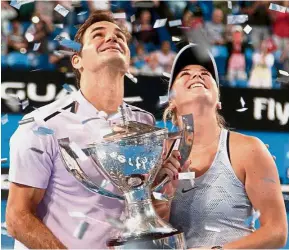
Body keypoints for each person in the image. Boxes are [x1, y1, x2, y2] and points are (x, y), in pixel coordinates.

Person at [6, 10, 155, 249]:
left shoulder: (145, 124)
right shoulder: (42, 125)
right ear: (77, 60)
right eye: (98, 34)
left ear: (128, 58)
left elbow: (145, 210)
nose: (112, 38)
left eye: (120, 36)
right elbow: (17, 218)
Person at [153, 43, 287, 249]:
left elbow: (277, 232)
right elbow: (150, 238)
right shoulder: (156, 155)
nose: (197, 76)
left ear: (218, 101)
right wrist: (162, 200)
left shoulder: (250, 149)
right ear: (171, 101)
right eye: (185, 74)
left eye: (205, 73)